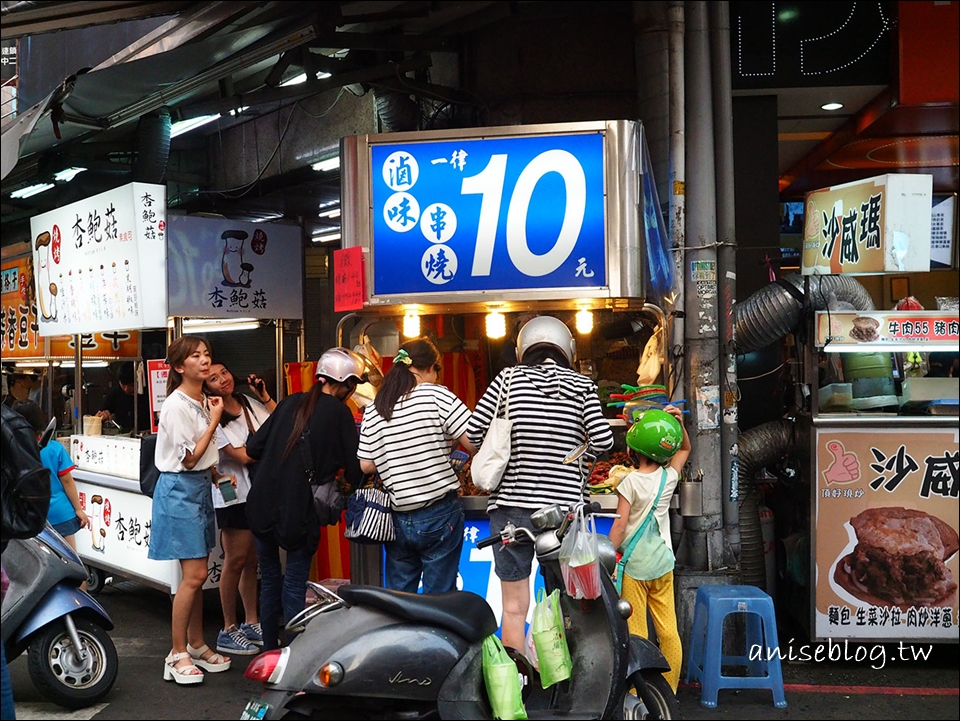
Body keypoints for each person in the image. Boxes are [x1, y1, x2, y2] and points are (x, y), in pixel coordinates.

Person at [466, 315, 614, 650]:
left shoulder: (506, 381)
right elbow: (604, 440)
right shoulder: (582, 385)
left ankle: (516, 688)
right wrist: (575, 456)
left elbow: (474, 434)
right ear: (566, 350)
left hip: (511, 511)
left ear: (523, 348)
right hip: (564, 514)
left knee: (514, 608)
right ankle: (565, 683)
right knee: (567, 605)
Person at [246, 348, 366, 650]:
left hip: (262, 502)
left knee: (271, 577)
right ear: (346, 383)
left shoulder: (289, 403)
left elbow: (253, 447)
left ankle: (271, 651)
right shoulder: (340, 413)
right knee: (294, 581)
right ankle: (294, 654)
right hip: (299, 508)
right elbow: (356, 469)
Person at [357, 338, 477, 594]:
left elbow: (366, 465)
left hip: (397, 518)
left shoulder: (377, 406)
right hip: (439, 514)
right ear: (431, 367)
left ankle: (402, 635)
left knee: (400, 600)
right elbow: (474, 441)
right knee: (439, 600)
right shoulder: (436, 395)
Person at [149, 335, 233, 685]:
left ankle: (196, 644)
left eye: (207, 354)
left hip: (198, 487)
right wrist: (215, 419)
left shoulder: (199, 400)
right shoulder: (177, 404)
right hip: (179, 490)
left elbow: (201, 458)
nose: (204, 360)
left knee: (197, 574)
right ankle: (176, 653)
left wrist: (216, 476)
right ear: (179, 366)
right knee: (196, 575)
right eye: (195, 356)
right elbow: (190, 456)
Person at [608, 405, 691, 694]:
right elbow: (684, 451)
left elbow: (619, 527)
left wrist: (607, 553)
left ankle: (638, 693)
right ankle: (669, 691)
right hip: (663, 564)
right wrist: (679, 425)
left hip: (635, 568)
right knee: (668, 630)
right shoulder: (668, 478)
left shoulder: (629, 481)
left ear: (635, 449)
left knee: (637, 632)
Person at [202, 363, 276, 656]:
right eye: (214, 379)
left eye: (224, 373)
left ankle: (251, 621)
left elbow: (279, 421)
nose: (223, 380)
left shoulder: (248, 402)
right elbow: (243, 456)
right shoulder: (212, 416)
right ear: (206, 388)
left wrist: (265, 395)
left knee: (252, 560)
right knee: (235, 559)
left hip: (257, 493)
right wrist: (269, 450)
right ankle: (227, 628)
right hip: (233, 495)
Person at [12, 400, 90, 583]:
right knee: (74, 566)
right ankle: (80, 607)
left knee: (33, 570)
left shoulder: (12, 450)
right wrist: (78, 509)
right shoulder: (54, 448)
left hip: (27, 516)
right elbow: (67, 480)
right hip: (60, 514)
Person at [96, 361, 151, 433]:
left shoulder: (148, 392)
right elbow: (101, 414)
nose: (126, 389)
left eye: (132, 385)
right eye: (123, 385)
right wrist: (100, 417)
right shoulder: (115, 394)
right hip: (124, 436)